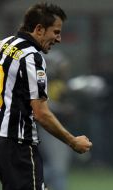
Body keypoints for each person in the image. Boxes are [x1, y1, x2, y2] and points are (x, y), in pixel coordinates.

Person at [0, 3, 92, 190]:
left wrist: (2, 114)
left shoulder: (1, 45)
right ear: (39, 29)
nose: (59, 39)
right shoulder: (31, 57)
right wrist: (73, 141)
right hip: (17, 144)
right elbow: (41, 113)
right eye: (56, 32)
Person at [39, 50, 73, 190]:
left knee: (59, 165)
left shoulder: (59, 83)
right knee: (58, 167)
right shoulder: (45, 82)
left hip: (58, 126)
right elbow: (44, 105)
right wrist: (63, 108)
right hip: (50, 127)